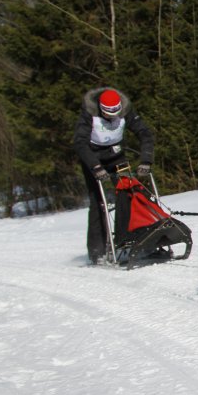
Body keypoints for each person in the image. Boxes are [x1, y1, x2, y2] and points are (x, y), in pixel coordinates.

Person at [73, 87, 155, 264]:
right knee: (99, 203)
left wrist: (146, 160)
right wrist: (96, 167)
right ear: (102, 109)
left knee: (129, 195)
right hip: (93, 159)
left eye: (116, 113)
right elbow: (80, 144)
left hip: (117, 157)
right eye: (109, 114)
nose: (112, 117)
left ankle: (130, 241)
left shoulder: (126, 110)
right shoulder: (89, 113)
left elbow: (145, 133)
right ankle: (98, 252)